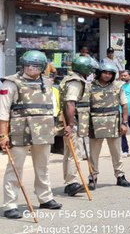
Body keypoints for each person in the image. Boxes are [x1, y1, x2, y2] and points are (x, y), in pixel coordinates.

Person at [1, 51, 63, 219]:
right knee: (15, 169)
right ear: (22, 64)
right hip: (20, 131)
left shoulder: (47, 82)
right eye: (28, 64)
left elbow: (52, 106)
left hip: (43, 130)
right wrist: (3, 135)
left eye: (35, 66)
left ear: (43, 67)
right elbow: (3, 112)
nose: (31, 68)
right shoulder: (10, 83)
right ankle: (10, 204)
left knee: (42, 167)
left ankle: (45, 197)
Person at [86, 62, 130, 189]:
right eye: (105, 72)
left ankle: (120, 176)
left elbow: (124, 105)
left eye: (110, 73)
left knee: (116, 152)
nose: (107, 75)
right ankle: (92, 177)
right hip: (95, 122)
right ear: (99, 73)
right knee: (93, 153)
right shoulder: (90, 87)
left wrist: (124, 123)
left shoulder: (118, 86)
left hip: (113, 122)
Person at [59, 55, 97, 196]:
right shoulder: (76, 82)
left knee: (70, 153)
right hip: (73, 121)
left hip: (73, 120)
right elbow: (70, 102)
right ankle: (72, 182)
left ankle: (69, 181)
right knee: (75, 152)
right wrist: (71, 124)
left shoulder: (70, 78)